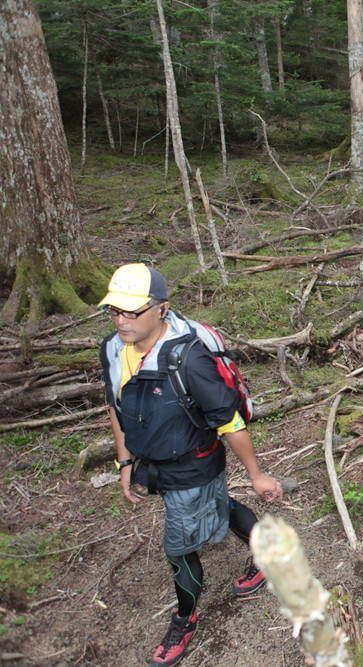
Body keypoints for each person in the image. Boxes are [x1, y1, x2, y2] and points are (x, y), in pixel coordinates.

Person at [98, 263, 283, 666]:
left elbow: (229, 421)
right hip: (155, 461)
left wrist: (256, 474)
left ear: (161, 309)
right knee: (218, 505)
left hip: (192, 464)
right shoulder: (112, 348)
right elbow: (115, 405)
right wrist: (124, 461)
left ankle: (184, 619)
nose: (121, 321)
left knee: (178, 550)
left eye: (132, 311)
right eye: (115, 310)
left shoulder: (189, 358)